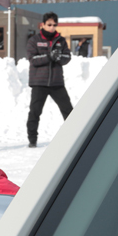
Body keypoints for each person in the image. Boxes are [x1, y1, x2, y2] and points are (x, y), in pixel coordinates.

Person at [26, 12, 73, 148]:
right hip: (39, 82)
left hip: (56, 82)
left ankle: (74, 136)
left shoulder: (61, 40)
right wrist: (49, 56)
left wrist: (59, 58)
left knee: (68, 110)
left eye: (54, 25)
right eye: (49, 25)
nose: (52, 27)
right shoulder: (34, 40)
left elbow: (67, 57)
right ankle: (32, 139)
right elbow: (33, 60)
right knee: (35, 111)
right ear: (43, 24)